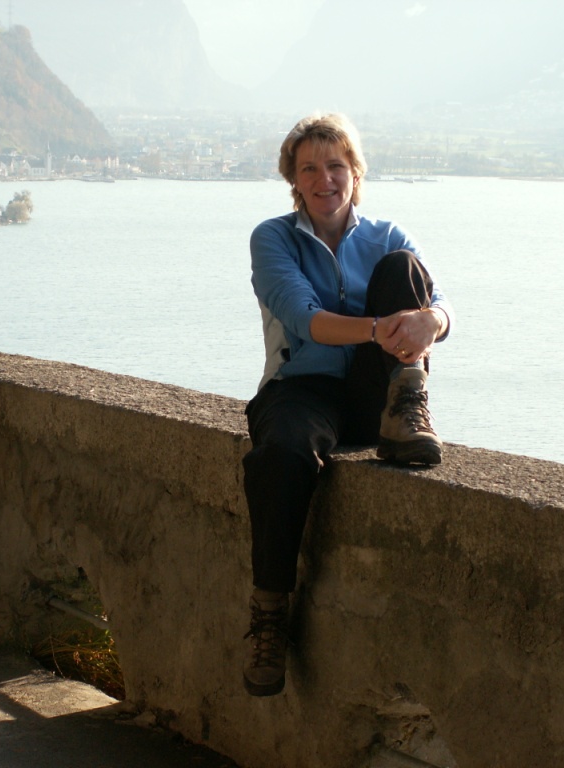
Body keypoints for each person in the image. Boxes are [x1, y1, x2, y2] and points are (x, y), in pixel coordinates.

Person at [242, 113, 454, 696]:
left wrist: (433, 320)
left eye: (335, 165)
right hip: (301, 386)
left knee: (403, 271)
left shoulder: (387, 237)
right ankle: (269, 613)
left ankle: (407, 407)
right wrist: (382, 329)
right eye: (309, 167)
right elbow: (305, 318)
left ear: (356, 173)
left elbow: (439, 303)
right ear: (293, 179)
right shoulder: (273, 238)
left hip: (372, 389)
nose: (324, 179)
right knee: (281, 455)